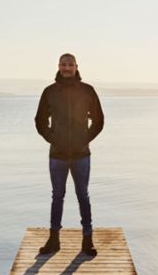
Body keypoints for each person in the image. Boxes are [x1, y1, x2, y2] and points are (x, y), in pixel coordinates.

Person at [34, 53, 105, 256]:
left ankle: (87, 240)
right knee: (57, 196)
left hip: (81, 154)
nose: (67, 68)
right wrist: (53, 139)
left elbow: (99, 120)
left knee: (83, 195)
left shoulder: (87, 91)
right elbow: (40, 121)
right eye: (63, 65)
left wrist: (85, 139)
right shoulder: (49, 92)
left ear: (76, 67)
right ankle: (54, 239)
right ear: (59, 66)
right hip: (57, 155)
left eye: (70, 65)